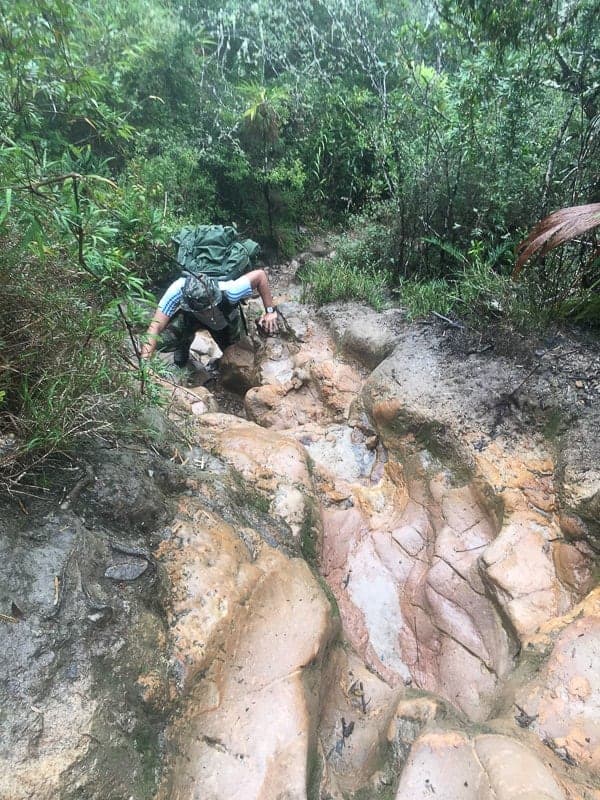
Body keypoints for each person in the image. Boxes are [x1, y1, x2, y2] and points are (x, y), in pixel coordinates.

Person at [140, 269, 278, 366]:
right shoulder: (177, 290)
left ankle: (221, 364)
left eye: (208, 309)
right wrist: (144, 364)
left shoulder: (231, 290)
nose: (206, 313)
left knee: (238, 358)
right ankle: (183, 344)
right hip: (191, 319)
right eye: (202, 310)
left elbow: (260, 276)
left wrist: (270, 311)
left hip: (224, 322)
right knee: (162, 341)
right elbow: (156, 325)